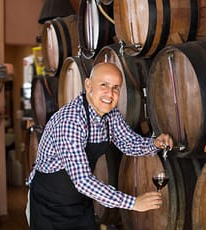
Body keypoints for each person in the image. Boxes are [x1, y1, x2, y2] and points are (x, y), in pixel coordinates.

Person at [26, 63, 173, 229]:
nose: (110, 94)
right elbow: (82, 181)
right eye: (104, 85)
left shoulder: (111, 114)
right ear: (88, 85)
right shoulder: (71, 121)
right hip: (50, 205)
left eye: (116, 87)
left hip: (79, 202)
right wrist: (133, 203)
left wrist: (154, 143)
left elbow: (128, 143)